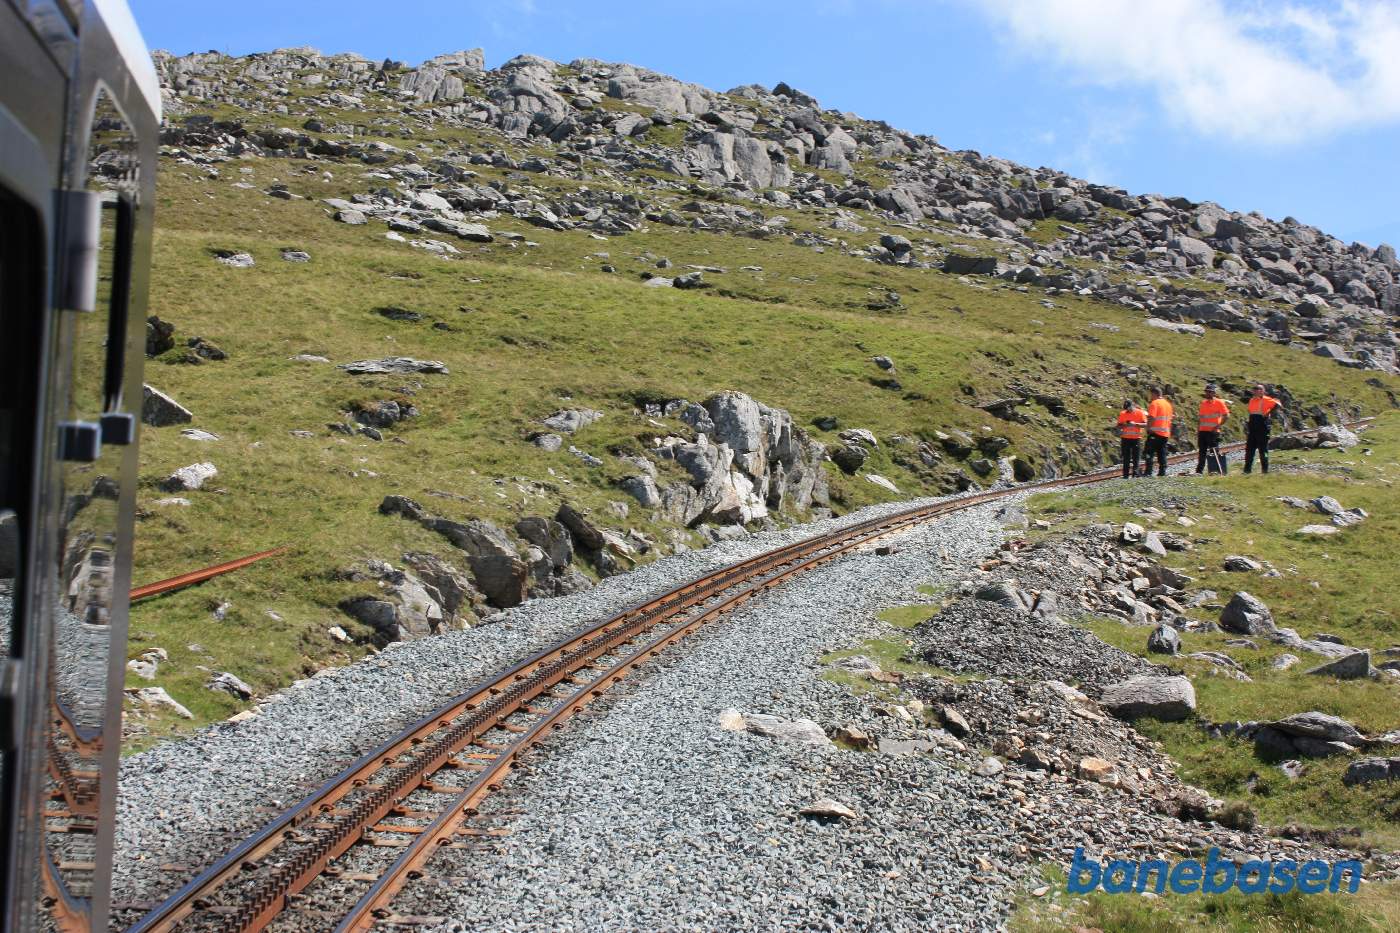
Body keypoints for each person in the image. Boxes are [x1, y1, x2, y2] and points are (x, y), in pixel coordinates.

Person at [1244, 383, 1282, 474]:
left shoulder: (1267, 399)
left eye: (1260, 389)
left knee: (1263, 450)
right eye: (1256, 389)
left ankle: (1265, 470)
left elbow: (1278, 403)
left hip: (1263, 428)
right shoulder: (1252, 400)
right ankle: (1247, 470)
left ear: (1263, 391)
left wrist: (1269, 413)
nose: (1257, 391)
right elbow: (1251, 412)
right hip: (1253, 428)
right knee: (1249, 450)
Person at [1195, 382, 1231, 474]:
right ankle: (1199, 471)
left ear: (1214, 393)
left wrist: (1218, 426)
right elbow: (1200, 418)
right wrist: (1198, 430)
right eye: (1207, 392)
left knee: (1214, 452)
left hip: (1213, 432)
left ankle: (1216, 471)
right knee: (1202, 453)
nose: (1208, 393)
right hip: (1203, 432)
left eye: (1210, 392)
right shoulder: (1203, 403)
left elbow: (1226, 415)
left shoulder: (1219, 402)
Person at [1115, 398, 1147, 478]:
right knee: (1126, 457)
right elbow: (1118, 426)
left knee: (1136, 458)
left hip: (1136, 438)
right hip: (1125, 439)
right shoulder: (1123, 413)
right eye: (1126, 409)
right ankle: (1125, 475)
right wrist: (1125, 425)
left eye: (1129, 408)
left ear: (1132, 406)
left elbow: (1145, 424)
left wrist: (1135, 424)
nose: (1127, 410)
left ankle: (1135, 473)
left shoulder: (1140, 413)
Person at [1145, 387, 1173, 477]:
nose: (1151, 397)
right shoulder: (1168, 404)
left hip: (1155, 432)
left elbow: (1152, 417)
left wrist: (1148, 428)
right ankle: (1162, 472)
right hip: (1165, 433)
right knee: (1162, 453)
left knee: (1149, 452)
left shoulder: (1154, 403)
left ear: (1154, 394)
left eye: (1151, 395)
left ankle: (1148, 472)